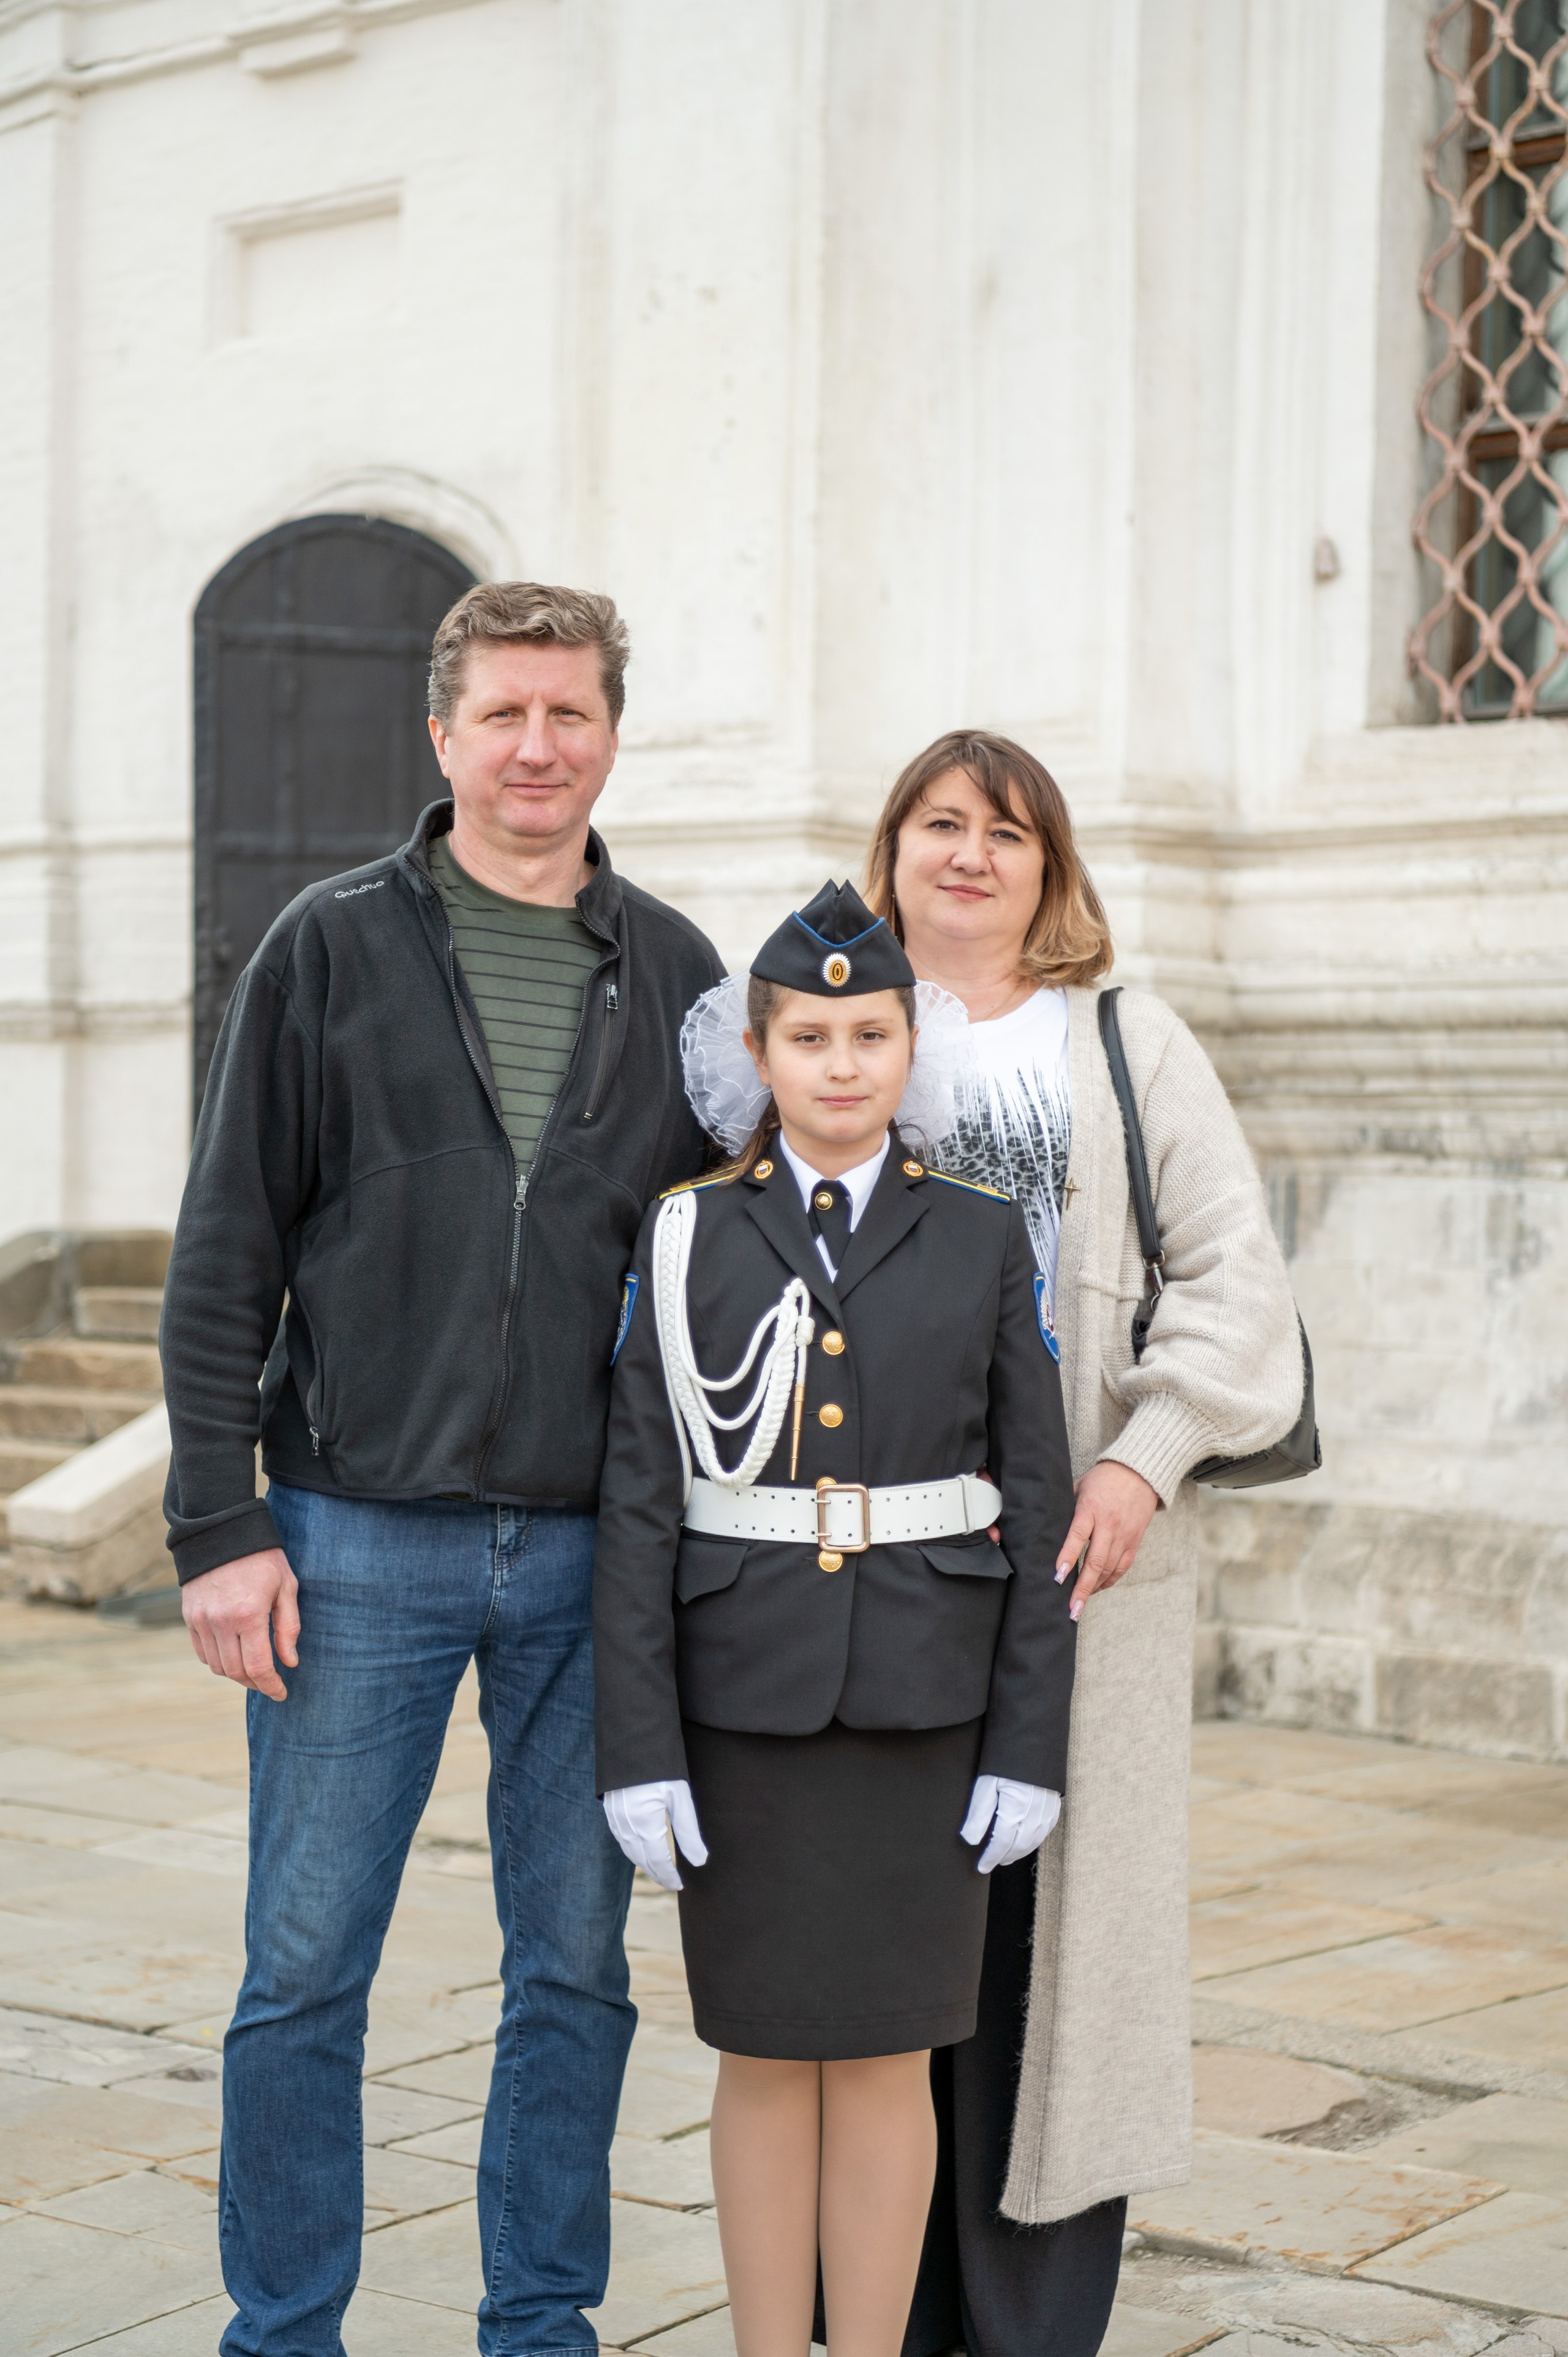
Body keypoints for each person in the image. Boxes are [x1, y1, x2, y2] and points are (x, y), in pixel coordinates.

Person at [159, 582, 725, 2357]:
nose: (537, 747)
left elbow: (750, 1246)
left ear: (612, 734)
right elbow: (223, 1247)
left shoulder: (686, 975)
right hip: (349, 1539)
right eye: (504, 715)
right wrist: (217, 1522)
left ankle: (540, 2325)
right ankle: (286, 2331)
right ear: (444, 737)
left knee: (575, 1971)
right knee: (305, 1970)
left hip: (593, 1560)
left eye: (569, 714)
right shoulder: (327, 945)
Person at [590, 881, 1079, 2357]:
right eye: (809, 1036)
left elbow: (1040, 1507)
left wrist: (1028, 1743)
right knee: (760, 2052)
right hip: (741, 1712)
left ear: (907, 1050)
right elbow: (637, 1508)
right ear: (758, 1051)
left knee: (883, 2062)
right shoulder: (685, 1235)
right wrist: (638, 1749)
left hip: (926, 1713)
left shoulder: (984, 1235)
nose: (843, 1063)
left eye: (871, 1033)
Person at [861, 731, 1304, 2357]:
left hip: (1082, 1564)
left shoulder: (1127, 1041)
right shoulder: (830, 1025)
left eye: (1007, 832)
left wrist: (1146, 1455)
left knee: (1060, 1957)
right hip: (873, 1573)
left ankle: (1033, 2323)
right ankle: (889, 2308)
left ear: (1052, 871)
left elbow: (1236, 1274)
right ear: (891, 847)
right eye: (939, 823)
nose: (969, 854)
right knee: (897, 1944)